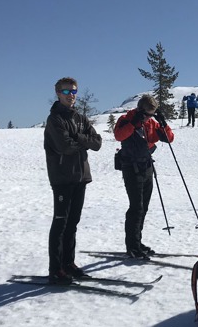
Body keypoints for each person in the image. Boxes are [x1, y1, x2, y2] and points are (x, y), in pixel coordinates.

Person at [43, 77, 102, 284]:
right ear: (58, 94)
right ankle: (56, 269)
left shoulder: (79, 118)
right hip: (62, 179)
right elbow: (64, 147)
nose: (71, 96)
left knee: (72, 224)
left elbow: (97, 143)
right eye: (67, 92)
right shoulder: (54, 120)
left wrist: (78, 138)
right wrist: (81, 140)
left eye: (74, 92)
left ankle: (69, 263)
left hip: (80, 178)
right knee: (60, 223)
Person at [114, 94, 175, 258]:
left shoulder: (151, 123)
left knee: (144, 207)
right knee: (136, 208)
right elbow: (119, 135)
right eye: (148, 114)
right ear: (140, 110)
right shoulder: (126, 119)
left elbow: (169, 139)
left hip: (147, 167)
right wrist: (134, 124)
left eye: (152, 114)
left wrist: (163, 124)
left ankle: (137, 242)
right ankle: (132, 246)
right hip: (131, 168)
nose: (149, 117)